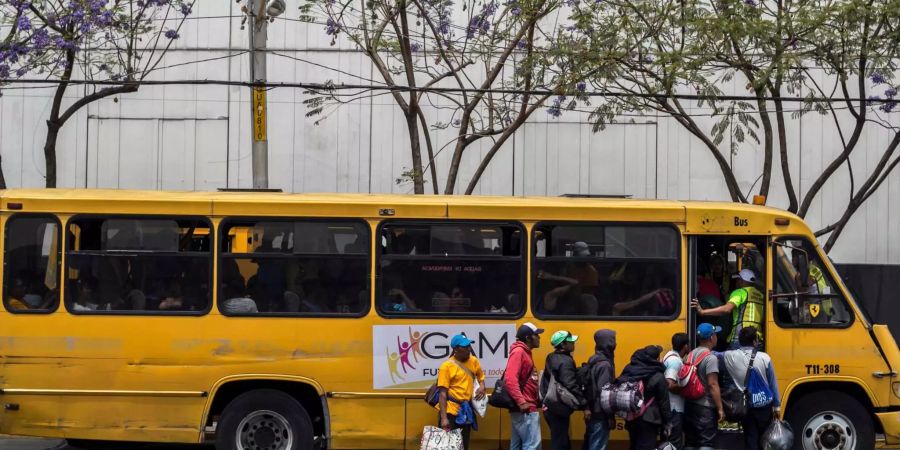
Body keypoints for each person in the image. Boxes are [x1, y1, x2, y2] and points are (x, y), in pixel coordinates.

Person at [724, 326, 781, 450]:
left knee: (750, 438)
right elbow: (773, 383)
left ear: (739, 341)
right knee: (765, 438)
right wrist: (777, 406)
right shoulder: (765, 358)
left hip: (746, 405)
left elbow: (714, 354)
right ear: (755, 341)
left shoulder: (730, 356)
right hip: (765, 405)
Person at [691, 268, 764, 348]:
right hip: (756, 338)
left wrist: (703, 312)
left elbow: (727, 309)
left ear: (742, 281)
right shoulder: (761, 296)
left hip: (741, 336)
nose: (736, 282)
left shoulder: (740, 292)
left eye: (738, 280)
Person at [436, 334, 486, 450]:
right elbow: (442, 394)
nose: (469, 349)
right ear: (456, 349)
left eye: (469, 346)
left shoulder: (473, 361)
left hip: (466, 411)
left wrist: (482, 386)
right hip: (451, 412)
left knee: (463, 446)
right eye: (465, 347)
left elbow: (480, 376)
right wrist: (444, 418)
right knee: (448, 447)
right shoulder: (446, 367)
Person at [618, 345, 672, 450]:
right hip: (649, 419)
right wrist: (667, 422)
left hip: (632, 416)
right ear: (655, 359)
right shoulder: (658, 376)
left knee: (634, 445)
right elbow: (664, 402)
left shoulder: (630, 369)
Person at [540, 330, 586, 450]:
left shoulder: (551, 357)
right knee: (560, 442)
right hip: (558, 406)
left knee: (560, 438)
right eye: (570, 342)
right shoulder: (566, 361)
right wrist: (584, 403)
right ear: (563, 345)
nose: (573, 344)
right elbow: (570, 384)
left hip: (550, 404)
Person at [684, 323, 724, 450]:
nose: (717, 337)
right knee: (706, 443)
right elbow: (712, 385)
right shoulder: (710, 358)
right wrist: (720, 408)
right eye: (715, 334)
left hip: (689, 405)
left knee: (691, 442)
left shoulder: (689, 355)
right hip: (705, 408)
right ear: (711, 338)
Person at [504, 322, 544, 450]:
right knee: (532, 445)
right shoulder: (519, 352)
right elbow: (510, 379)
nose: (539, 338)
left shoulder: (524, 352)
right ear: (528, 338)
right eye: (536, 335)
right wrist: (521, 402)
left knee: (518, 445)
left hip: (524, 408)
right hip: (525, 409)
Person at [583, 329, 617, 450]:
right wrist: (610, 416)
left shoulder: (593, 359)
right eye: (613, 340)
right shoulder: (605, 365)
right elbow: (605, 394)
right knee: (598, 445)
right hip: (600, 412)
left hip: (592, 409)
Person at [664, 333, 690, 449]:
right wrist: (687, 387)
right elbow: (669, 384)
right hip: (674, 408)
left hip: (670, 407)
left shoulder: (669, 356)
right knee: (673, 444)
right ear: (685, 346)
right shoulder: (675, 361)